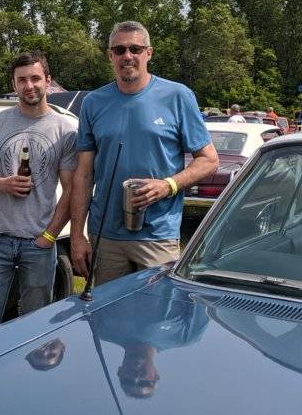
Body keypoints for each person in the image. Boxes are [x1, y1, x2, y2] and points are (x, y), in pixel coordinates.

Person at [69, 21, 217, 285]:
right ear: (110, 56)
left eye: (135, 49)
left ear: (149, 53)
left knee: (158, 309)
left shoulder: (177, 96)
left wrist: (167, 185)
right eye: (120, 50)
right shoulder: (93, 102)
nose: (127, 56)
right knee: (108, 309)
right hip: (106, 235)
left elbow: (208, 160)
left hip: (157, 234)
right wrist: (77, 235)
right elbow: (83, 174)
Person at [0, 52, 77, 330]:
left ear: (48, 81)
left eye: (35, 78)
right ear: (14, 84)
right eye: (22, 80)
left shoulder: (65, 130)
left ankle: (31, 361)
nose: (29, 86)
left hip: (38, 242)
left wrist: (49, 236)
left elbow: (71, 190)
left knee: (35, 323)